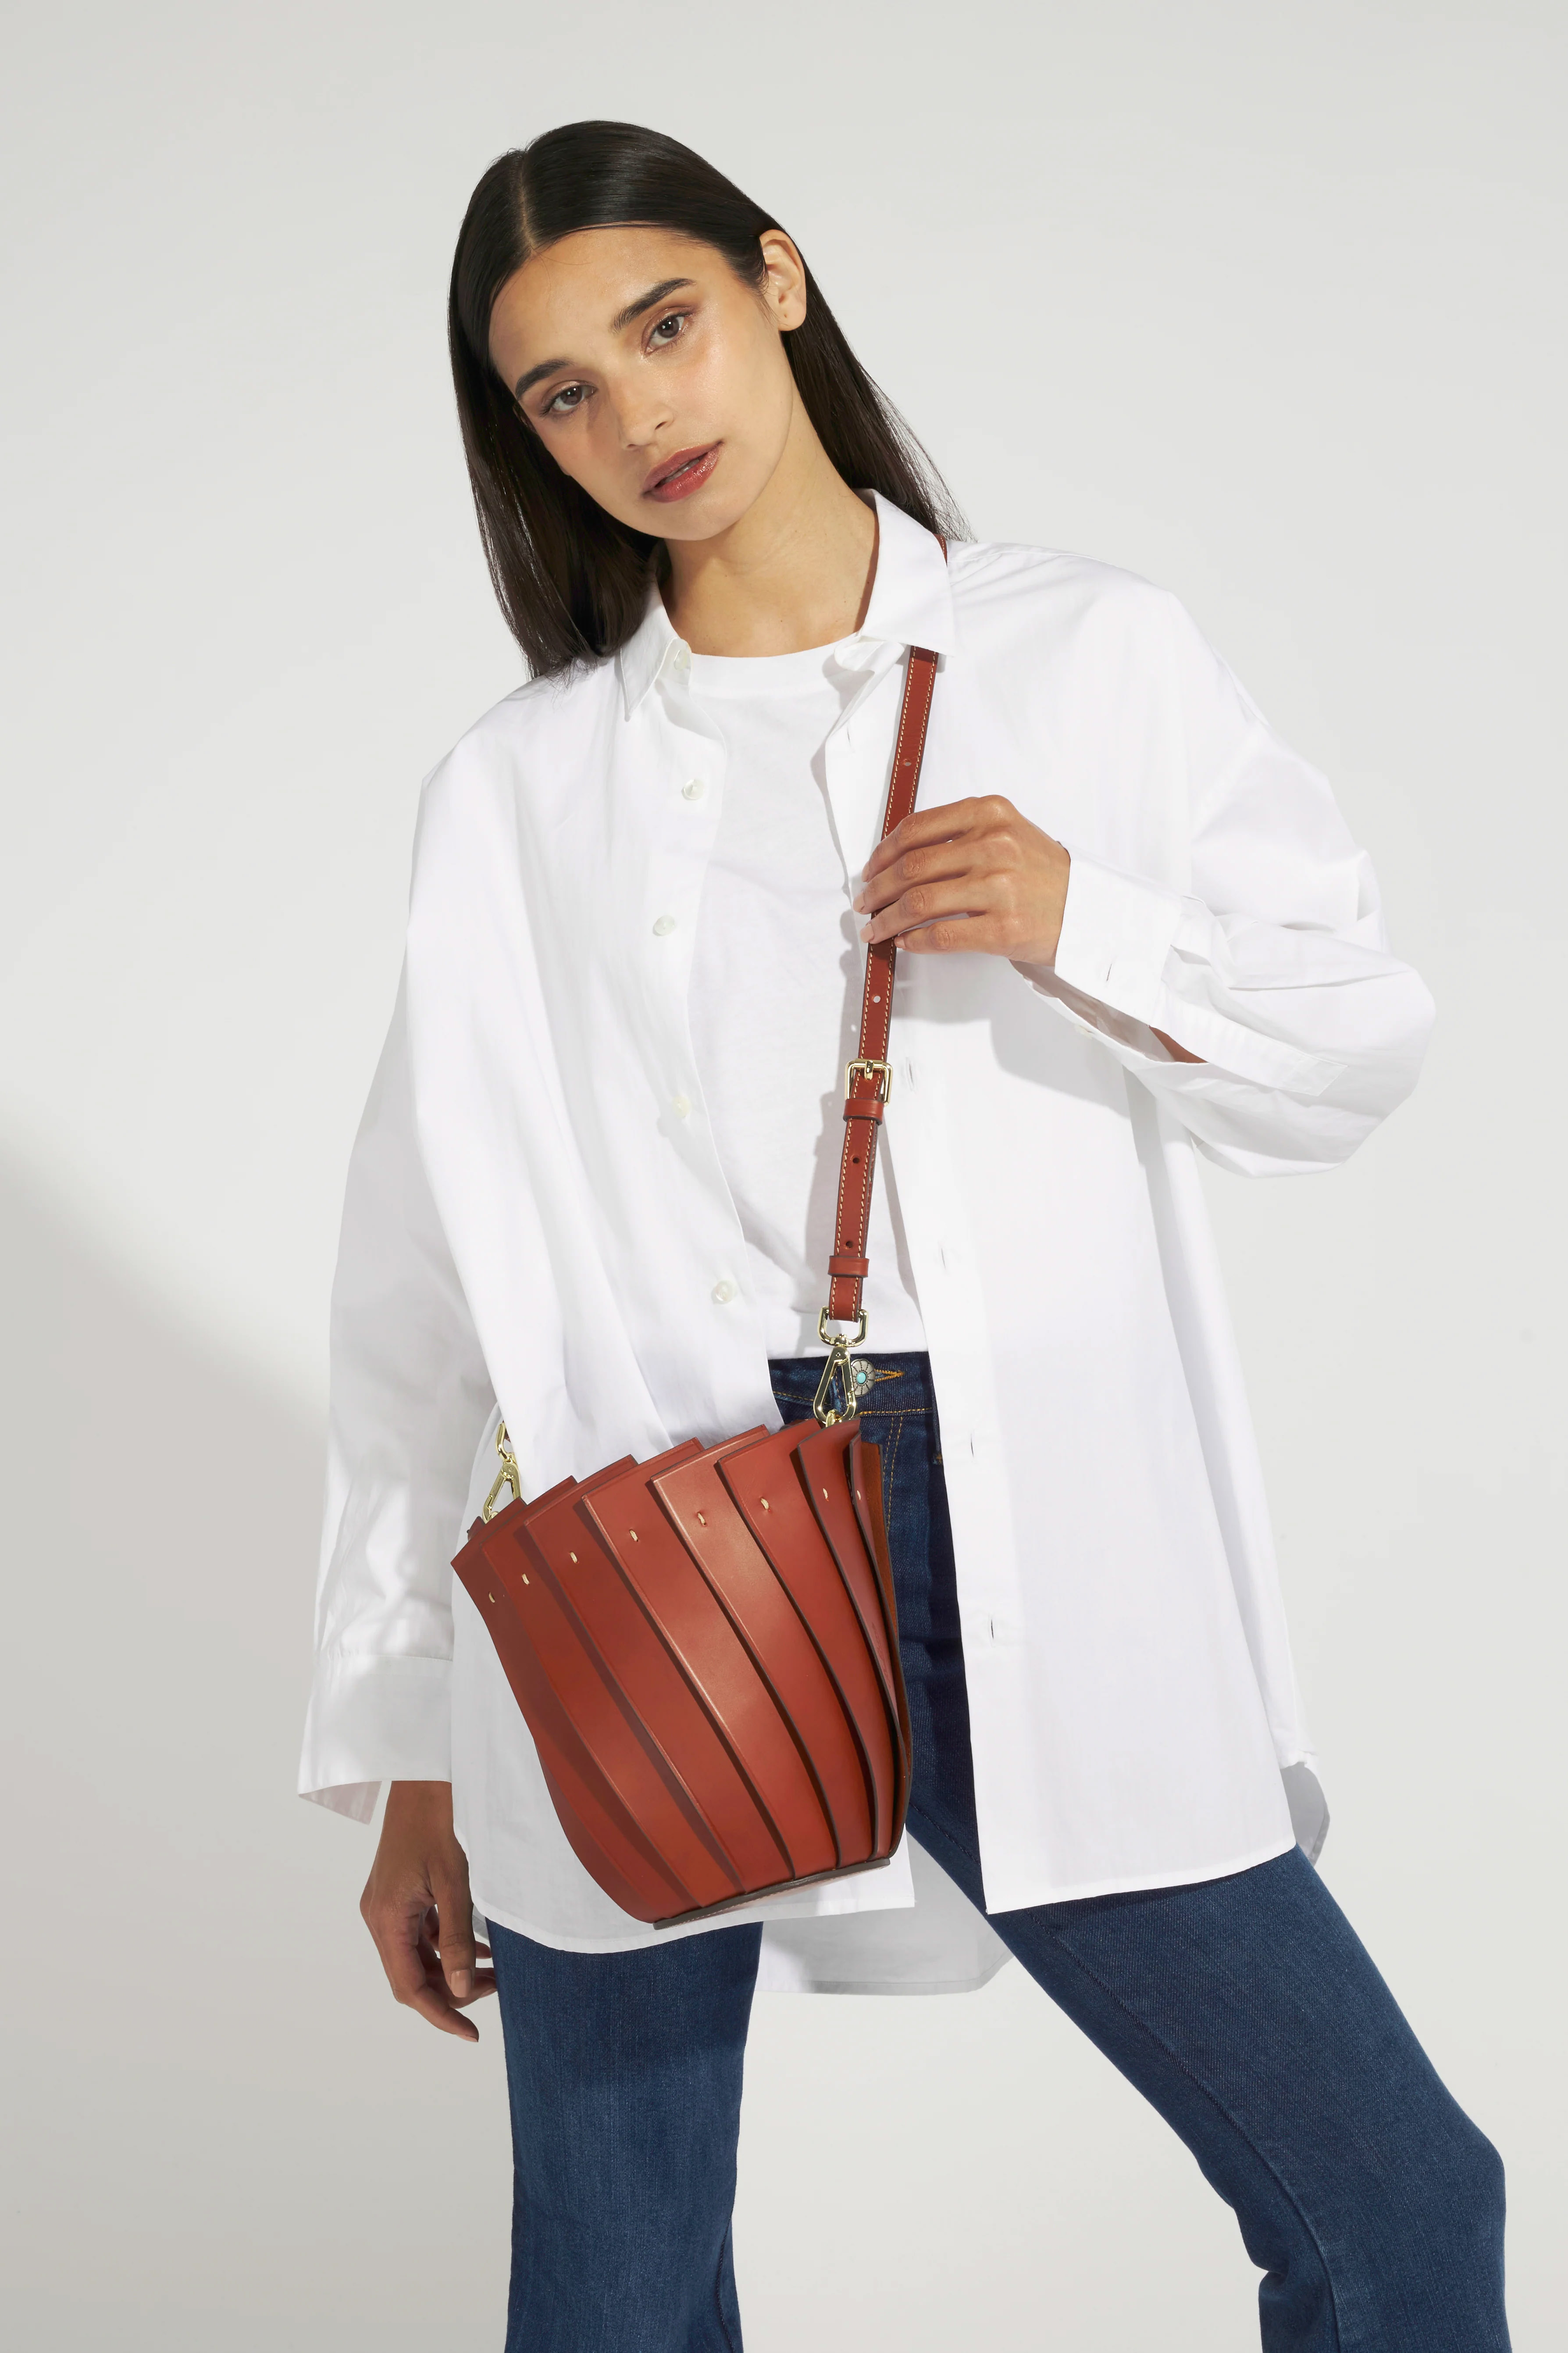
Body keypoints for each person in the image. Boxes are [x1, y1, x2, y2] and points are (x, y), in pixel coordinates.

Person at [299, 119, 1508, 2353]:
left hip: (1011, 1516)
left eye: (665, 324)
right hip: (636, 1546)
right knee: (621, 2292)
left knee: (1396, 2199)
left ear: (778, 280)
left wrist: (1085, 920)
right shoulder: (519, 789)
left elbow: (1357, 1043)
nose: (639, 415)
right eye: (564, 391)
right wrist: (411, 1747)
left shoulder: (1089, 657)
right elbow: (419, 1291)